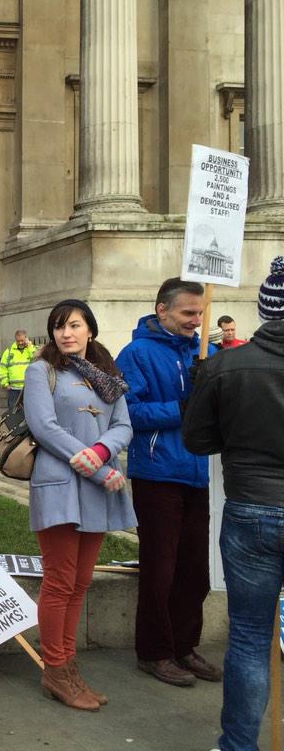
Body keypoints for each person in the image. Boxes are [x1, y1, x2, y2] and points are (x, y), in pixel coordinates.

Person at [183, 256, 284, 751]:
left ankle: (239, 747)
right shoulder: (225, 364)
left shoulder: (226, 365)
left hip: (251, 510)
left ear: (265, 309)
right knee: (248, 638)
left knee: (247, 637)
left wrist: (206, 391)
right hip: (255, 506)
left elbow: (198, 441)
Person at [22, 300, 134, 711]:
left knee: (81, 581)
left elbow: (124, 424)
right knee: (60, 580)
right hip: (60, 485)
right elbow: (44, 427)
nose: (65, 333)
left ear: (90, 329)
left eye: (73, 325)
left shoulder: (108, 375)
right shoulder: (41, 370)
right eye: (57, 326)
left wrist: (103, 450)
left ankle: (69, 665)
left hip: (97, 485)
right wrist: (95, 466)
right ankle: (55, 669)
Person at [115, 277, 221, 687]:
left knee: (197, 569)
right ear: (163, 311)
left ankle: (184, 646)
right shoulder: (137, 353)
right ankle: (154, 651)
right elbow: (130, 413)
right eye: (188, 313)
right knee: (161, 568)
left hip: (201, 471)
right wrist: (183, 407)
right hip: (158, 473)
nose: (196, 321)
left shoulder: (206, 351)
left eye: (200, 313)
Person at [0, 329, 36, 410]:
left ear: (26, 339)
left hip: (28, 388)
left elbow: (36, 360)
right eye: (18, 341)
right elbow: (3, 367)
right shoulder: (9, 352)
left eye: (22, 340)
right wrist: (5, 384)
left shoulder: (31, 350)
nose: (20, 343)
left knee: (30, 412)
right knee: (13, 413)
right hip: (13, 389)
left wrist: (29, 347)